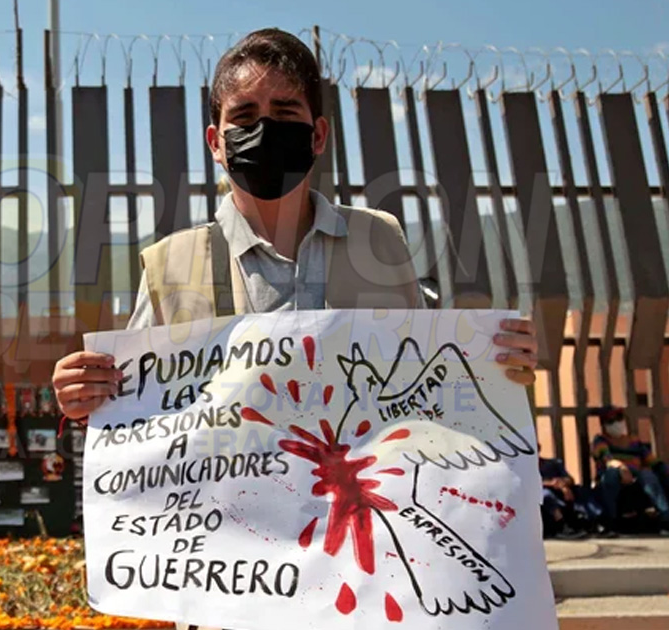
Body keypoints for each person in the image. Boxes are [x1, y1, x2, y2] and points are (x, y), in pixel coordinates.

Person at [52, 28, 539, 420]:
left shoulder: (382, 242)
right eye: (244, 116)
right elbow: (134, 407)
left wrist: (497, 364)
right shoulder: (169, 267)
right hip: (229, 531)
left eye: (285, 112)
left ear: (318, 134)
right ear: (216, 143)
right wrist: (85, 394)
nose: (264, 128)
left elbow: (429, 377)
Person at [593, 406, 669, 535]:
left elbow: (651, 459)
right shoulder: (600, 440)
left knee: (648, 475)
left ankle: (666, 518)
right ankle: (611, 521)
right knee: (611, 474)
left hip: (637, 475)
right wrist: (621, 467)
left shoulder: (634, 440)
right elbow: (607, 459)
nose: (617, 424)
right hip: (614, 475)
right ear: (604, 425)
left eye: (619, 419)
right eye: (611, 421)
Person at [538, 455, 593, 539]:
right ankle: (562, 526)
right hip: (540, 492)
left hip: (559, 491)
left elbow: (569, 479)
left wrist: (563, 485)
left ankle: (590, 520)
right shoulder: (525, 466)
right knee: (546, 495)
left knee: (581, 490)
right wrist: (550, 483)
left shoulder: (553, 463)